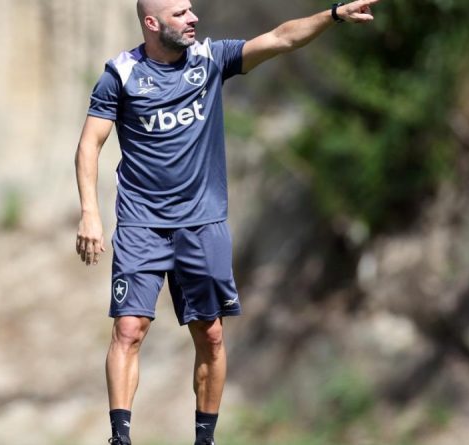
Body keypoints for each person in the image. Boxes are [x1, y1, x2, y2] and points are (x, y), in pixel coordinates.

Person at [74, 0, 380, 443]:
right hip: (142, 222)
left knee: (211, 335)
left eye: (192, 9)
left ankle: (205, 439)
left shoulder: (210, 59)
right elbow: (89, 146)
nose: (194, 18)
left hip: (202, 223)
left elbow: (280, 38)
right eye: (181, 13)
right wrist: (90, 214)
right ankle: (120, 438)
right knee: (128, 328)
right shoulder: (120, 75)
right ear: (152, 23)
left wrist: (332, 15)